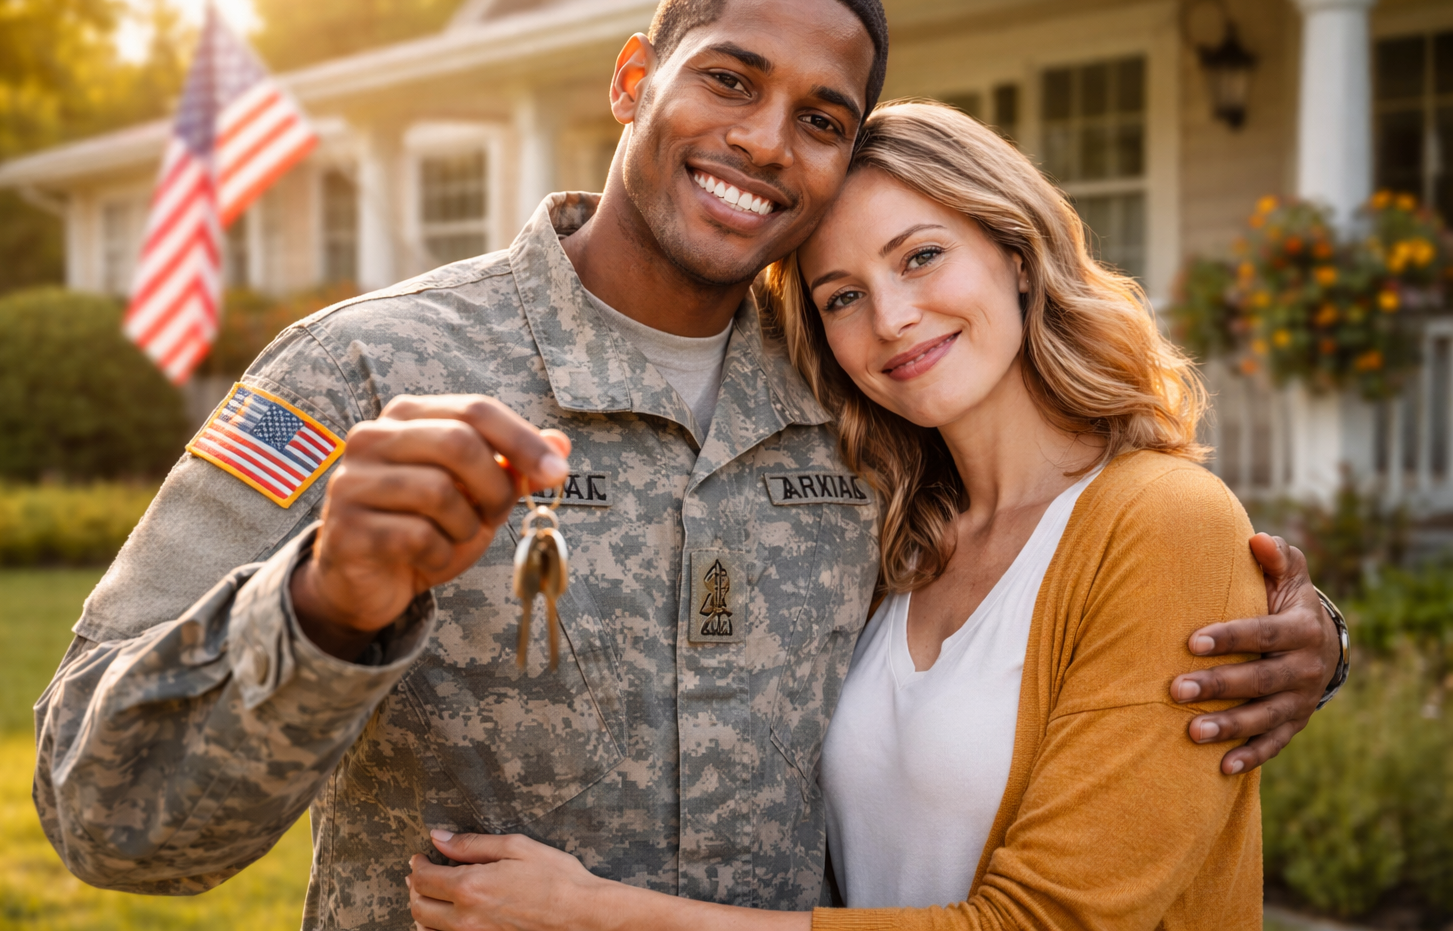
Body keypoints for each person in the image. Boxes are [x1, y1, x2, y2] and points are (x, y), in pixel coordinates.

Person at [32, 0, 1342, 931]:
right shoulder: (365, 368)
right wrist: (321, 608)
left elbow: (1058, 561)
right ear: (632, 80)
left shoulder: (855, 397)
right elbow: (106, 816)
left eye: (822, 121)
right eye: (730, 78)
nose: (766, 141)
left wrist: (1292, 633)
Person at [402, 100, 1286, 930]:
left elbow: (1048, 921)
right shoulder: (890, 530)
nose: (894, 319)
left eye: (921, 256)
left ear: (1017, 255)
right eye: (842, 297)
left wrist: (593, 913)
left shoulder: (1165, 519)